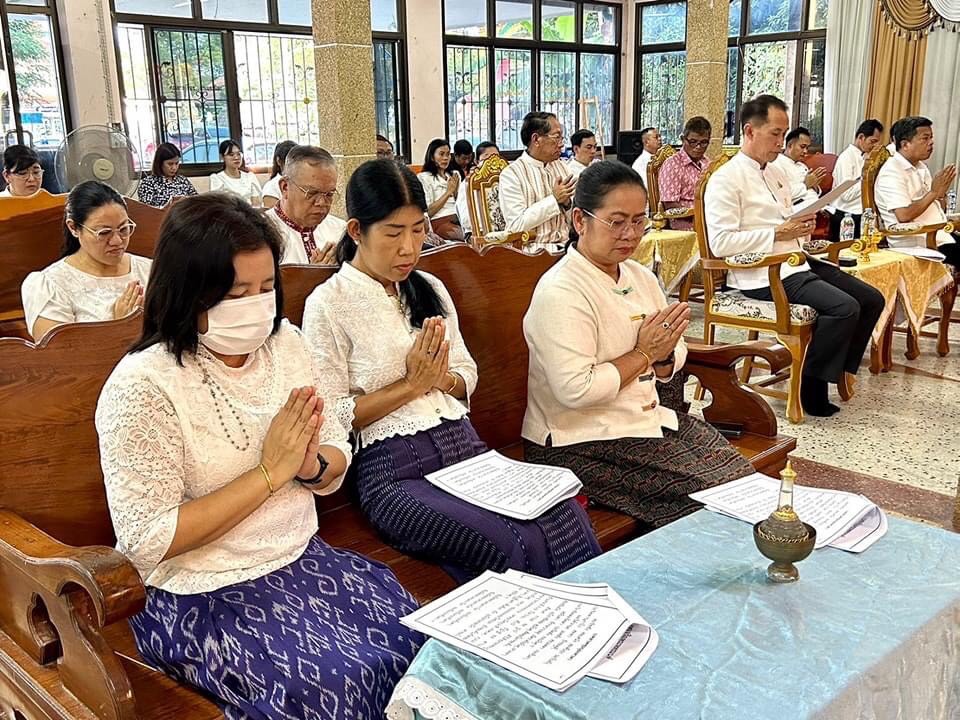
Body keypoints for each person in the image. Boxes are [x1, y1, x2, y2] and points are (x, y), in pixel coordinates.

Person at [94, 192, 420, 719]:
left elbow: (333, 447)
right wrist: (270, 474)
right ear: (189, 293)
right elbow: (147, 540)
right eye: (236, 291)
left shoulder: (286, 345)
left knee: (419, 645)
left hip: (303, 558)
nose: (256, 305)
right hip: (201, 592)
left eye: (266, 287)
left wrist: (311, 465)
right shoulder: (143, 386)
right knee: (327, 690)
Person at [302, 159, 600, 582]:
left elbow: (466, 374)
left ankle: (591, 634)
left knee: (564, 514)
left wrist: (440, 378)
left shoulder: (430, 288)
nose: (409, 247)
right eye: (393, 233)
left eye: (418, 229)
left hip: (464, 447)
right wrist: (411, 386)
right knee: (510, 540)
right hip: (393, 472)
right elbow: (332, 416)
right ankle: (531, 641)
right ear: (356, 231)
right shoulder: (328, 304)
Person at [523, 161, 752, 528]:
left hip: (642, 421)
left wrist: (661, 358)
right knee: (715, 496)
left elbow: (673, 352)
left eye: (639, 220)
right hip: (578, 440)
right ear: (580, 221)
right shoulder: (561, 290)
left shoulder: (639, 276)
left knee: (742, 480)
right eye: (617, 221)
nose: (630, 233)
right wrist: (644, 353)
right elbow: (575, 390)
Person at [704, 95, 884, 417]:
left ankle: (842, 370)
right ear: (749, 131)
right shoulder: (726, 179)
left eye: (783, 133)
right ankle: (810, 387)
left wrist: (803, 223)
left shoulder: (775, 174)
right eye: (775, 134)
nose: (780, 142)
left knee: (871, 299)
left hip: (795, 259)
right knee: (844, 308)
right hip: (762, 272)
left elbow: (784, 220)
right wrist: (777, 234)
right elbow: (721, 243)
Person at [21, 180, 151, 341]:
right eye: (104, 233)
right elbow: (59, 358)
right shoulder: (51, 285)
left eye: (124, 229)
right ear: (74, 228)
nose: (117, 241)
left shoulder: (151, 269)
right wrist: (119, 326)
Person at [875, 116, 960, 266]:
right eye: (925, 138)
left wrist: (940, 195)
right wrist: (933, 193)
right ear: (905, 144)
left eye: (931, 138)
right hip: (918, 241)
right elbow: (903, 215)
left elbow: (935, 207)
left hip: (939, 234)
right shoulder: (891, 172)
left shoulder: (921, 166)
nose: (931, 143)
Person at [499, 111, 576, 251]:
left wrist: (567, 204)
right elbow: (516, 226)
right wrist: (554, 200)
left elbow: (577, 220)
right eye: (557, 137)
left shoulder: (562, 167)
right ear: (536, 139)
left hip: (566, 247)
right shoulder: (512, 174)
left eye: (562, 138)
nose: (562, 145)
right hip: (533, 252)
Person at [265, 145, 343, 265]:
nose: (321, 203)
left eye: (329, 194)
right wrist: (308, 278)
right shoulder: (260, 234)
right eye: (312, 193)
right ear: (285, 187)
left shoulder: (341, 231)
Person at [827, 119, 884, 240]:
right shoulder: (846, 158)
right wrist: (867, 178)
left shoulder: (865, 157)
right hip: (846, 216)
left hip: (862, 215)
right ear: (861, 137)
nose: (874, 146)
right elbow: (846, 194)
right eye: (872, 141)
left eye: (877, 142)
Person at [657, 116, 712, 230]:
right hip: (685, 223)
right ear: (683, 139)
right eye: (693, 142)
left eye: (703, 142)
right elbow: (670, 204)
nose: (698, 147)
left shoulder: (708, 163)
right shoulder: (673, 165)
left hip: (709, 218)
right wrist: (699, 214)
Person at [417, 138, 464, 241]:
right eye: (441, 154)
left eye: (448, 154)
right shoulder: (424, 177)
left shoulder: (455, 175)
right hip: (439, 220)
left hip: (459, 218)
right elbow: (428, 212)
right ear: (432, 157)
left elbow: (461, 205)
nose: (445, 158)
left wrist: (455, 193)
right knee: (464, 237)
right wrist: (448, 192)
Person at [772, 126, 826, 210]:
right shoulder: (776, 163)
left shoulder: (802, 165)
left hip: (817, 204)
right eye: (802, 146)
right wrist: (806, 185)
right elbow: (781, 195)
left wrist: (815, 185)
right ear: (790, 145)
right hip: (798, 208)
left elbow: (815, 192)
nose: (805, 151)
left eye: (807, 148)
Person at [457, 140, 500, 239]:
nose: (492, 162)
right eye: (487, 157)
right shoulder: (468, 184)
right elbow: (466, 220)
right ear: (477, 162)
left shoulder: (505, 180)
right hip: (477, 233)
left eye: (496, 157)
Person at [136, 143, 198, 208]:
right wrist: (168, 206)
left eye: (176, 163)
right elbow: (146, 210)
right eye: (170, 164)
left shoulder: (182, 180)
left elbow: (196, 201)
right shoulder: (148, 184)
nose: (174, 167)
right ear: (159, 163)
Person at [208, 139, 262, 206]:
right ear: (222, 157)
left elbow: (256, 204)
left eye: (238, 154)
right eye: (231, 154)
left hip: (250, 214)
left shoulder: (250, 176)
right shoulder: (217, 178)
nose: (236, 157)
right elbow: (218, 205)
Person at [261, 140, 297, 209]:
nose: (294, 165)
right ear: (278, 161)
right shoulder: (271, 188)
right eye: (290, 161)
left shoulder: (303, 181)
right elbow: (273, 218)